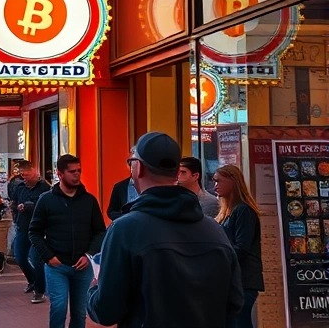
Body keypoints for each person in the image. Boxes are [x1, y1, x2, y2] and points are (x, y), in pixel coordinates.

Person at [88, 132, 243, 327]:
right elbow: (235, 301)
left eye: (132, 161)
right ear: (177, 172)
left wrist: (93, 289)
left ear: (139, 168)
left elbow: (107, 311)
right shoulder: (215, 230)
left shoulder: (125, 230)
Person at [28, 155, 106, 328]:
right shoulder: (46, 200)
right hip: (57, 266)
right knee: (59, 307)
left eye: (79, 171)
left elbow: (100, 231)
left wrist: (89, 255)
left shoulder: (89, 201)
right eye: (72, 171)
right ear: (60, 173)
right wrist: (48, 257)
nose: (77, 174)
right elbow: (34, 232)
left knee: (79, 312)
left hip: (83, 266)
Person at [214, 164, 264, 328]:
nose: (215, 186)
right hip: (234, 278)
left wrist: (217, 259)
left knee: (239, 322)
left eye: (218, 181)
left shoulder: (243, 210)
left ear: (232, 181)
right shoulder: (228, 211)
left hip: (244, 279)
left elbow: (242, 247)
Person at [11, 161, 49, 301]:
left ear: (34, 171)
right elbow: (14, 203)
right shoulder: (19, 187)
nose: (24, 177)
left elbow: (46, 208)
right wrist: (14, 208)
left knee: (36, 258)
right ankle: (32, 280)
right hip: (22, 227)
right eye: (22, 175)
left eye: (26, 174)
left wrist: (28, 206)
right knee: (19, 257)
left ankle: (40, 290)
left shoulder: (44, 188)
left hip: (39, 229)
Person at [106, 150, 139, 221]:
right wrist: (124, 217)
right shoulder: (119, 187)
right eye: (134, 166)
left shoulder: (151, 185)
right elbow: (111, 212)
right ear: (129, 166)